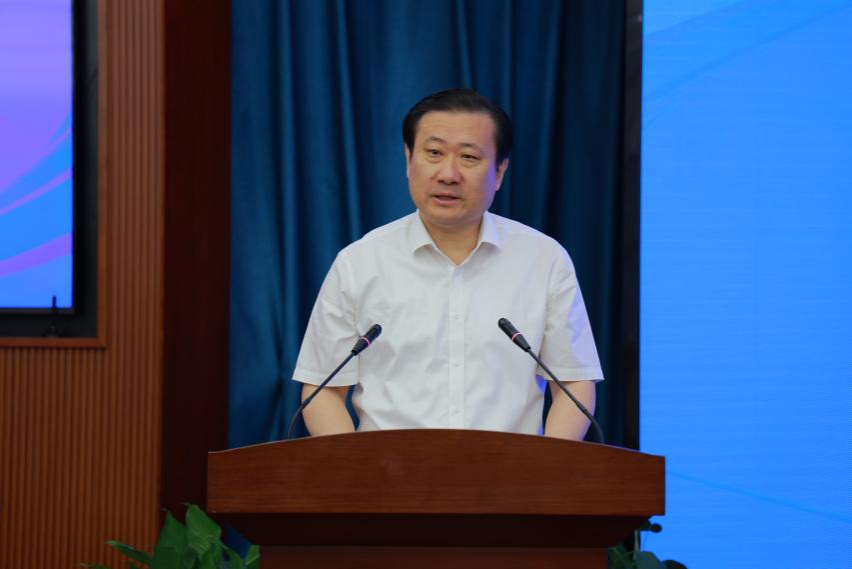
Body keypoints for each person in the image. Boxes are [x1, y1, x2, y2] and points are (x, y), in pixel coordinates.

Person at [292, 88, 603, 440]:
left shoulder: (543, 259)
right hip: (386, 472)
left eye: (469, 157)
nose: (448, 174)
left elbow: (574, 382)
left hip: (511, 473)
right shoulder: (359, 262)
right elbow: (323, 391)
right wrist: (356, 470)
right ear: (409, 159)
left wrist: (544, 471)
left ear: (500, 171)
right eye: (434, 153)